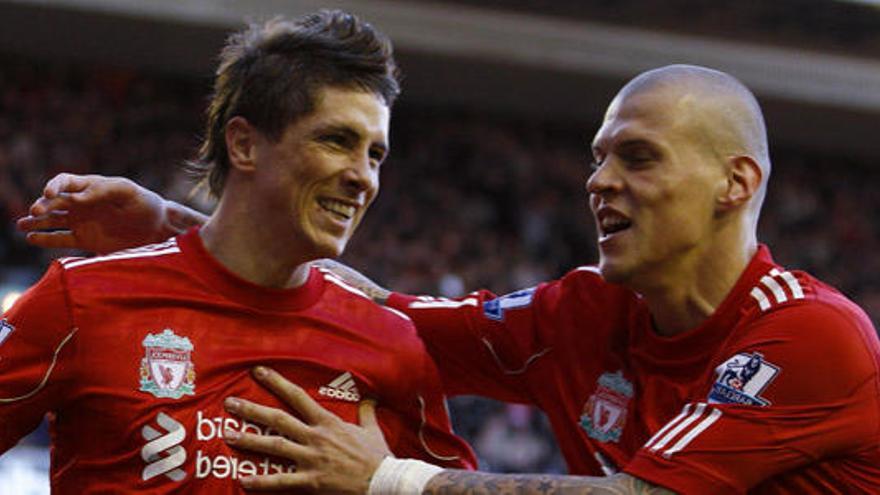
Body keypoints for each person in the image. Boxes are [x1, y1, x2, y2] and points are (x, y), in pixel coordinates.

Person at [16, 65, 880, 493]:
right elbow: (371, 314)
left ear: (737, 184)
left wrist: (388, 477)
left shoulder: (810, 334)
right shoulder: (582, 311)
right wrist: (180, 227)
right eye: (598, 157)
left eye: (639, 157)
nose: (599, 181)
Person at [1, 10, 476, 494]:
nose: (364, 178)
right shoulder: (83, 299)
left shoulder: (391, 345)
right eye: (337, 140)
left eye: (375, 154)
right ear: (245, 144)